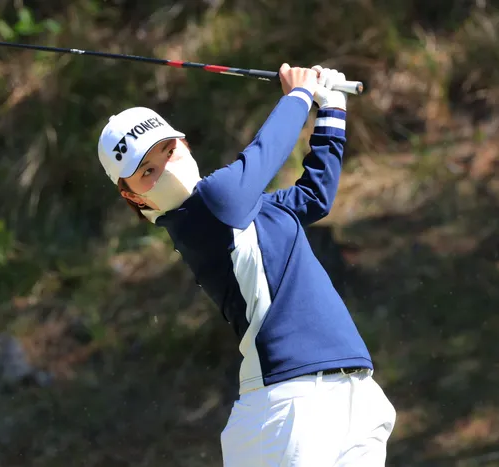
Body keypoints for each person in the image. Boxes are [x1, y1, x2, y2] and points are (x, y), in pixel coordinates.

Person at [96, 64, 396, 466]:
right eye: (147, 172)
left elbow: (314, 197)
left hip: (352, 392)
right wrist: (299, 94)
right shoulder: (208, 209)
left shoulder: (241, 210)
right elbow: (267, 149)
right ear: (133, 197)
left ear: (185, 144)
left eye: (168, 151)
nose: (165, 169)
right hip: (288, 405)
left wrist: (332, 107)